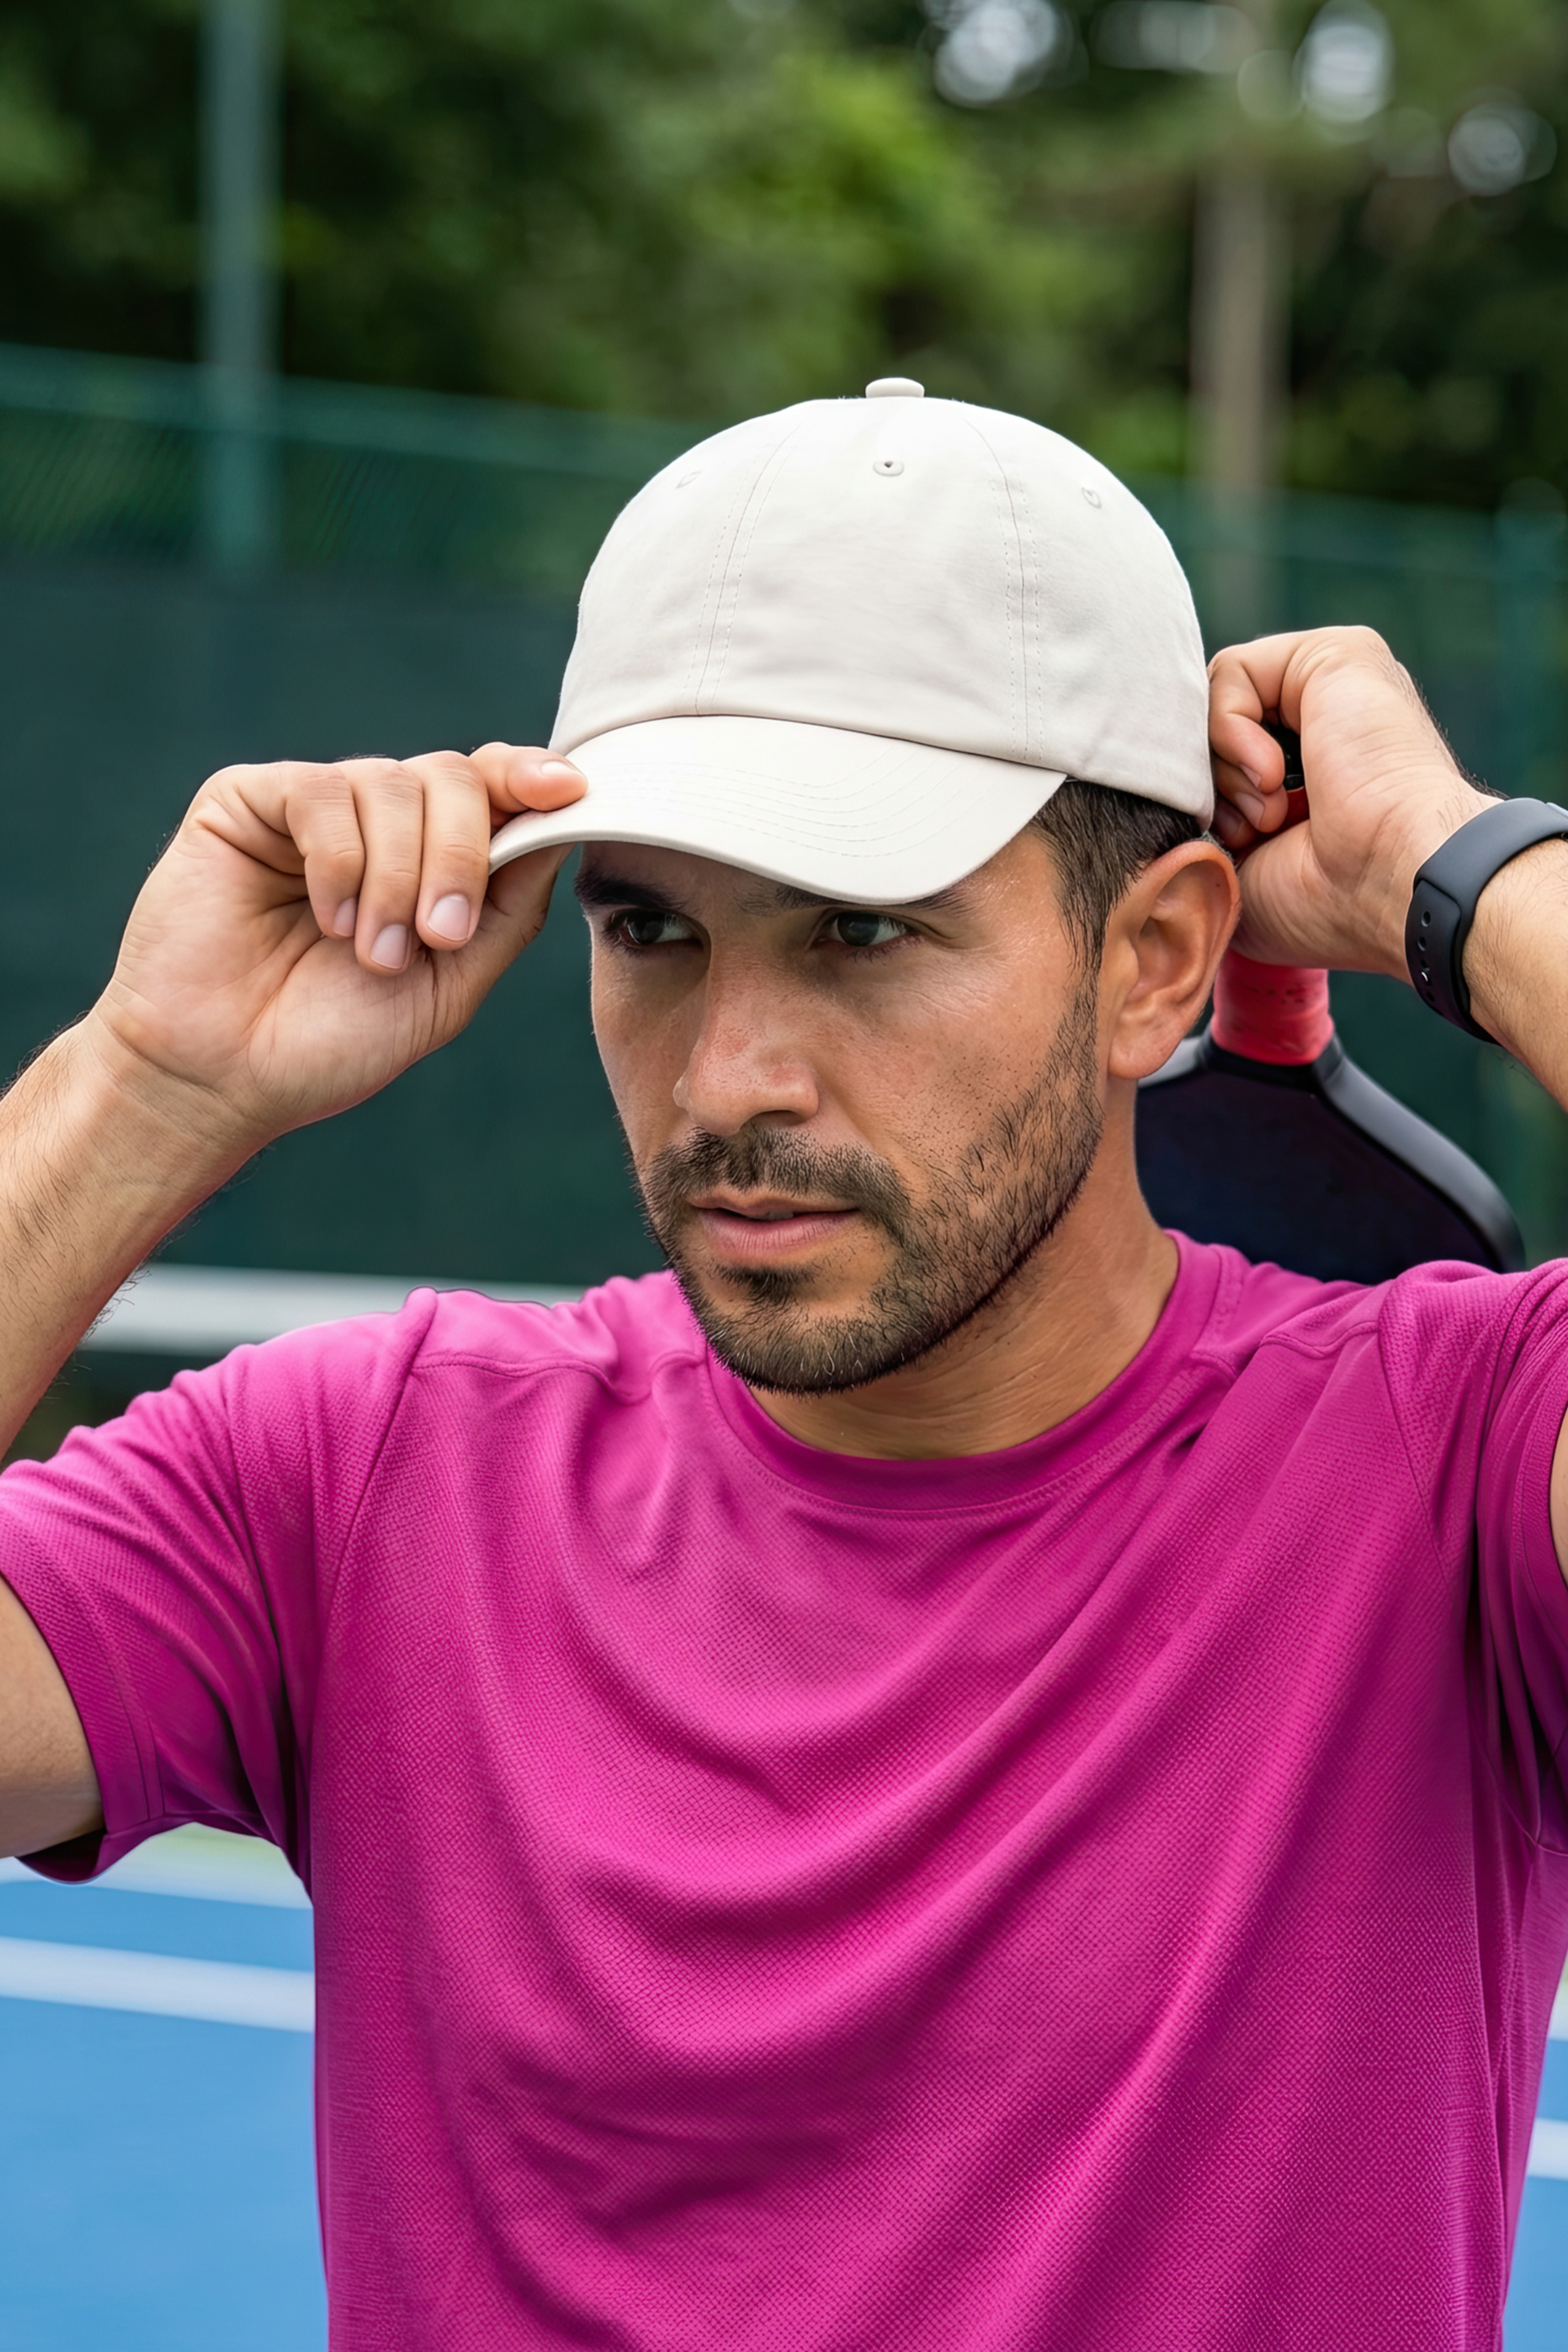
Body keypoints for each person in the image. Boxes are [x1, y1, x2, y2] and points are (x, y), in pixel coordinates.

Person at [0, 382, 1564, 2352]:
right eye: (651, 929)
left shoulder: (1457, 1467)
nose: (731, 1079)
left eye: (862, 929)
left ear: (1156, 960)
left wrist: (1451, 862)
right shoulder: (360, 1472)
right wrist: (147, 1090)